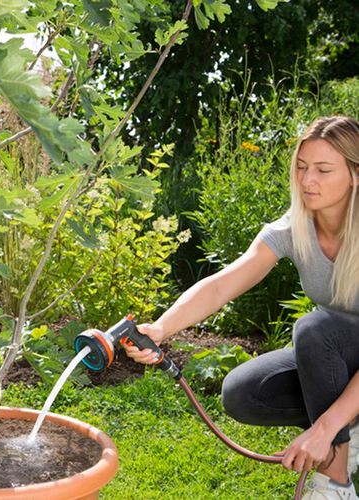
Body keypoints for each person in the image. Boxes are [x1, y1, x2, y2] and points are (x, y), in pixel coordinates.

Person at [124, 116, 359, 500]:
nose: (306, 181)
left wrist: (324, 427)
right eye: (301, 167)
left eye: (323, 170)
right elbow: (222, 285)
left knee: (315, 331)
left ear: (355, 173)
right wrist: (161, 329)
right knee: (244, 392)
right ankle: (350, 427)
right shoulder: (296, 227)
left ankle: (335, 486)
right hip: (344, 356)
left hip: (341, 348)